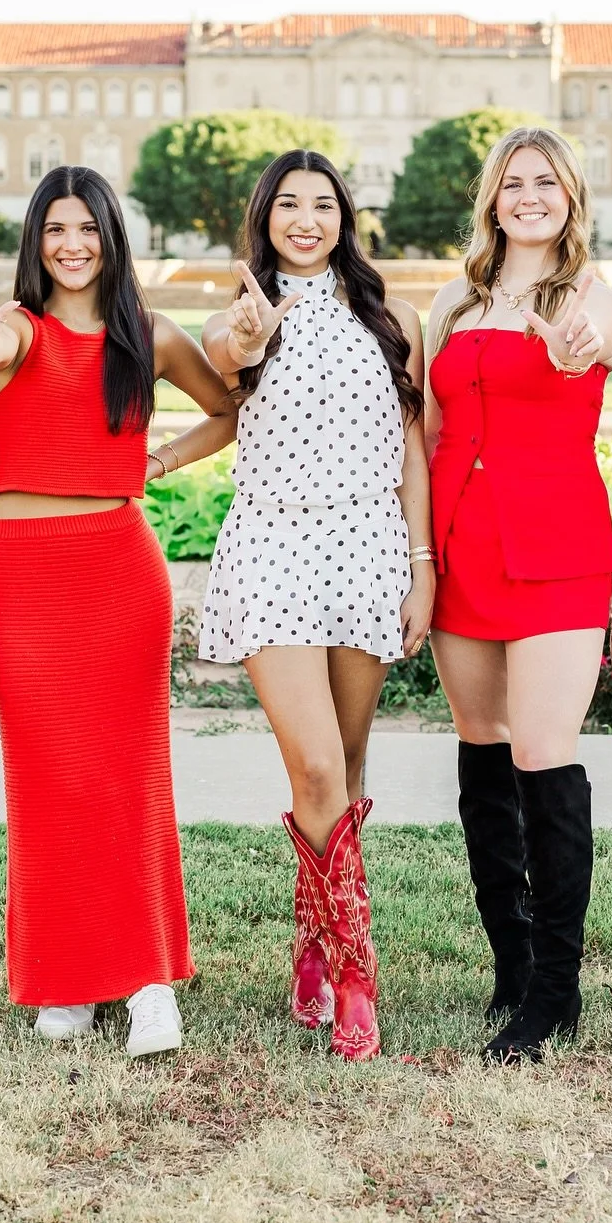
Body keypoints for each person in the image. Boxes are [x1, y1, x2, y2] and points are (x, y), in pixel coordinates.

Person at [0, 165, 236, 1059]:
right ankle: (65, 978)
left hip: (120, 571)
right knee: (48, 781)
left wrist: (160, 461)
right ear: (35, 242)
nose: (71, 245)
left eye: (86, 228)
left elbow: (227, 411)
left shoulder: (150, 333)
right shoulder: (14, 331)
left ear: (112, 237)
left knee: (128, 778)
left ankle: (149, 982)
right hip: (26, 579)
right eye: (54, 230)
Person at [198, 150, 435, 1063]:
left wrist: (421, 566)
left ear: (345, 218)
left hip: (368, 549)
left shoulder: (392, 319)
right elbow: (225, 363)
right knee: (316, 765)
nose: (306, 219)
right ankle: (356, 975)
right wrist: (247, 338)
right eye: (288, 204)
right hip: (273, 551)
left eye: (323, 204)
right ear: (264, 217)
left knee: (346, 765)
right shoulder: (239, 316)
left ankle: (312, 948)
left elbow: (412, 450)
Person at [424, 125, 612, 1063]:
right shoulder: (453, 301)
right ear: (492, 200)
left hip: (555, 553)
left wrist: (579, 345)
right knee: (482, 754)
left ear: (570, 197)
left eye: (547, 182)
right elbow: (428, 432)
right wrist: (421, 559)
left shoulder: (589, 296)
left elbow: (597, 344)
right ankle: (510, 965)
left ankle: (555, 992)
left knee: (544, 756)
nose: (529, 196)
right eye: (513, 183)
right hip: (462, 550)